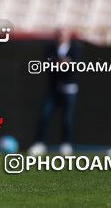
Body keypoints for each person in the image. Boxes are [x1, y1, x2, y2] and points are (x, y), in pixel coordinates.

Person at [28, 28, 81, 156]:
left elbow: (76, 65)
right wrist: (59, 63)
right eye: (59, 35)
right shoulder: (50, 49)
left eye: (64, 34)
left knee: (66, 119)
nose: (61, 37)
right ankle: (39, 143)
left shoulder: (75, 48)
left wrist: (66, 64)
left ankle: (65, 144)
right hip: (53, 89)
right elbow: (47, 64)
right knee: (44, 115)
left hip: (69, 89)